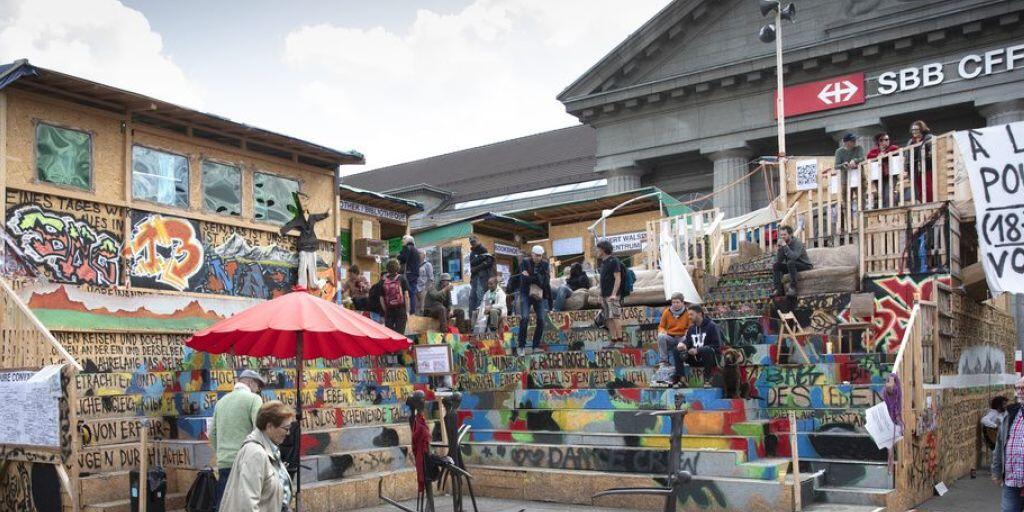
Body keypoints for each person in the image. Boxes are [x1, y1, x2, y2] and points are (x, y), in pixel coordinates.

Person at [219, 401, 295, 512]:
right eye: (286, 428)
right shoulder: (255, 453)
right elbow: (247, 504)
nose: (288, 433)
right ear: (269, 426)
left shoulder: (269, 449)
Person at [210, 369, 265, 511]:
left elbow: (212, 434)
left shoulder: (220, 402)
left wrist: (222, 453)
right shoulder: (254, 399)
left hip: (224, 463)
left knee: (224, 505)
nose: (258, 390)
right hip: (245, 462)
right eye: (258, 386)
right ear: (250, 382)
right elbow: (258, 428)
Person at [278, 194, 328, 290]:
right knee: (302, 267)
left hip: (312, 245)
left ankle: (317, 283)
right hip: (304, 246)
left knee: (312, 268)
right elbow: (291, 225)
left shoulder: (312, 217)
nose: (304, 206)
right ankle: (302, 286)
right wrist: (281, 231)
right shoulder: (299, 219)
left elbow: (321, 216)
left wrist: (327, 214)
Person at [992, 377, 1024, 512]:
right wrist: (997, 470)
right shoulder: (1011, 413)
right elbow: (1000, 445)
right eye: (1018, 388)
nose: (1020, 392)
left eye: (1023, 388)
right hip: (1011, 480)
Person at [671, 305, 721, 387]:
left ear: (700, 314)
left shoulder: (712, 326)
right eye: (688, 315)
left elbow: (717, 346)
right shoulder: (691, 328)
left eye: (691, 314)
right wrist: (683, 344)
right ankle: (682, 379)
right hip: (694, 358)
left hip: (709, 358)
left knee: (706, 350)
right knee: (676, 350)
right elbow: (688, 342)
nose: (689, 317)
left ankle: (707, 379)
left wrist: (698, 350)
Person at [516, 245, 550, 354]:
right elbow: (523, 280)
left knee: (541, 319)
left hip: (538, 294)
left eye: (540, 256)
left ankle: (535, 346)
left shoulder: (545, 264)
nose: (539, 258)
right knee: (524, 318)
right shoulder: (525, 263)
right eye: (537, 256)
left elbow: (545, 282)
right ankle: (521, 346)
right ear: (532, 254)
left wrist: (531, 277)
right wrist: (537, 277)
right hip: (525, 293)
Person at [595, 240, 624, 348]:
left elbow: (618, 278)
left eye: (598, 249)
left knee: (615, 317)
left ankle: (620, 340)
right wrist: (600, 295)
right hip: (604, 295)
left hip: (613, 295)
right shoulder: (603, 262)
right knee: (608, 318)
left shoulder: (614, 260)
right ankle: (613, 339)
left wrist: (614, 294)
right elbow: (603, 281)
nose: (596, 251)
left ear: (603, 249)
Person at [772, 225, 812, 297]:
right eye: (781, 235)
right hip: (791, 265)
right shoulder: (783, 244)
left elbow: (794, 257)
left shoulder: (797, 242)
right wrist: (779, 249)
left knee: (790, 262)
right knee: (776, 265)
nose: (783, 237)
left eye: (785, 234)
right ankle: (778, 290)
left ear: (790, 234)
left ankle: (793, 288)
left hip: (804, 265)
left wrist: (785, 246)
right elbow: (779, 260)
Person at [865, 132, 901, 208]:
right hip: (878, 176)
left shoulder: (892, 148)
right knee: (881, 195)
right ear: (878, 142)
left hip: (890, 174)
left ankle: (892, 209)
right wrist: (878, 156)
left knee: (888, 194)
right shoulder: (874, 151)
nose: (885, 142)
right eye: (882, 140)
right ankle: (886, 210)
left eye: (887, 139)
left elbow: (896, 150)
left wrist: (885, 154)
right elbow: (869, 156)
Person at [656, 293, 692, 368]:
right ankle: (664, 361)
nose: (675, 304)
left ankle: (684, 359)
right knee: (661, 337)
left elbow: (690, 327)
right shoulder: (667, 312)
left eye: (677, 302)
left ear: (682, 302)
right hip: (670, 337)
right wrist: (662, 331)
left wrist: (687, 332)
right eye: (673, 302)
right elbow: (661, 326)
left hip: (682, 336)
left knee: (688, 337)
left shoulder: (687, 312)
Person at [906, 120, 934, 203]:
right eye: (913, 129)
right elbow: (907, 156)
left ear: (921, 129)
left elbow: (933, 149)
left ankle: (930, 204)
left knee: (928, 188)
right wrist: (906, 168)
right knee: (918, 189)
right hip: (915, 169)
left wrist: (929, 154)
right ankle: (923, 204)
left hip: (927, 167)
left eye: (916, 129)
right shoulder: (911, 142)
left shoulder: (928, 138)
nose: (914, 131)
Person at [379, 258, 411, 334]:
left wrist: (386, 310)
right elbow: (406, 296)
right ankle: (400, 346)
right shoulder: (402, 278)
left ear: (387, 268)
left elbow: (381, 299)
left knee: (390, 334)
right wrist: (407, 311)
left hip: (389, 310)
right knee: (400, 334)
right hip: (401, 309)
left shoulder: (383, 281)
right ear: (398, 267)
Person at [468, 236, 495, 315]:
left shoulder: (483, 249)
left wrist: (477, 266)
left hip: (483, 278)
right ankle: (472, 318)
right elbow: (472, 265)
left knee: (481, 297)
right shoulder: (472, 253)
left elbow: (489, 261)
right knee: (473, 298)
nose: (473, 243)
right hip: (475, 279)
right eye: (471, 242)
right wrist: (481, 261)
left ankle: (481, 317)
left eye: (474, 241)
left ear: (477, 241)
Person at [397, 235, 421, 314]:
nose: (402, 241)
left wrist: (398, 256)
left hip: (409, 273)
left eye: (404, 239)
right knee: (412, 293)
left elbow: (404, 258)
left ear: (408, 240)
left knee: (408, 292)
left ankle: (409, 311)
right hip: (415, 273)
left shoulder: (407, 248)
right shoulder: (415, 250)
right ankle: (412, 311)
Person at [415, 249, 433, 316]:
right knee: (416, 309)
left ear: (424, 255)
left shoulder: (428, 265)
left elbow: (431, 279)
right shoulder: (414, 265)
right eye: (417, 253)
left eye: (420, 253)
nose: (418, 255)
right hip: (415, 289)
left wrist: (426, 289)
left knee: (423, 308)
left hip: (423, 289)